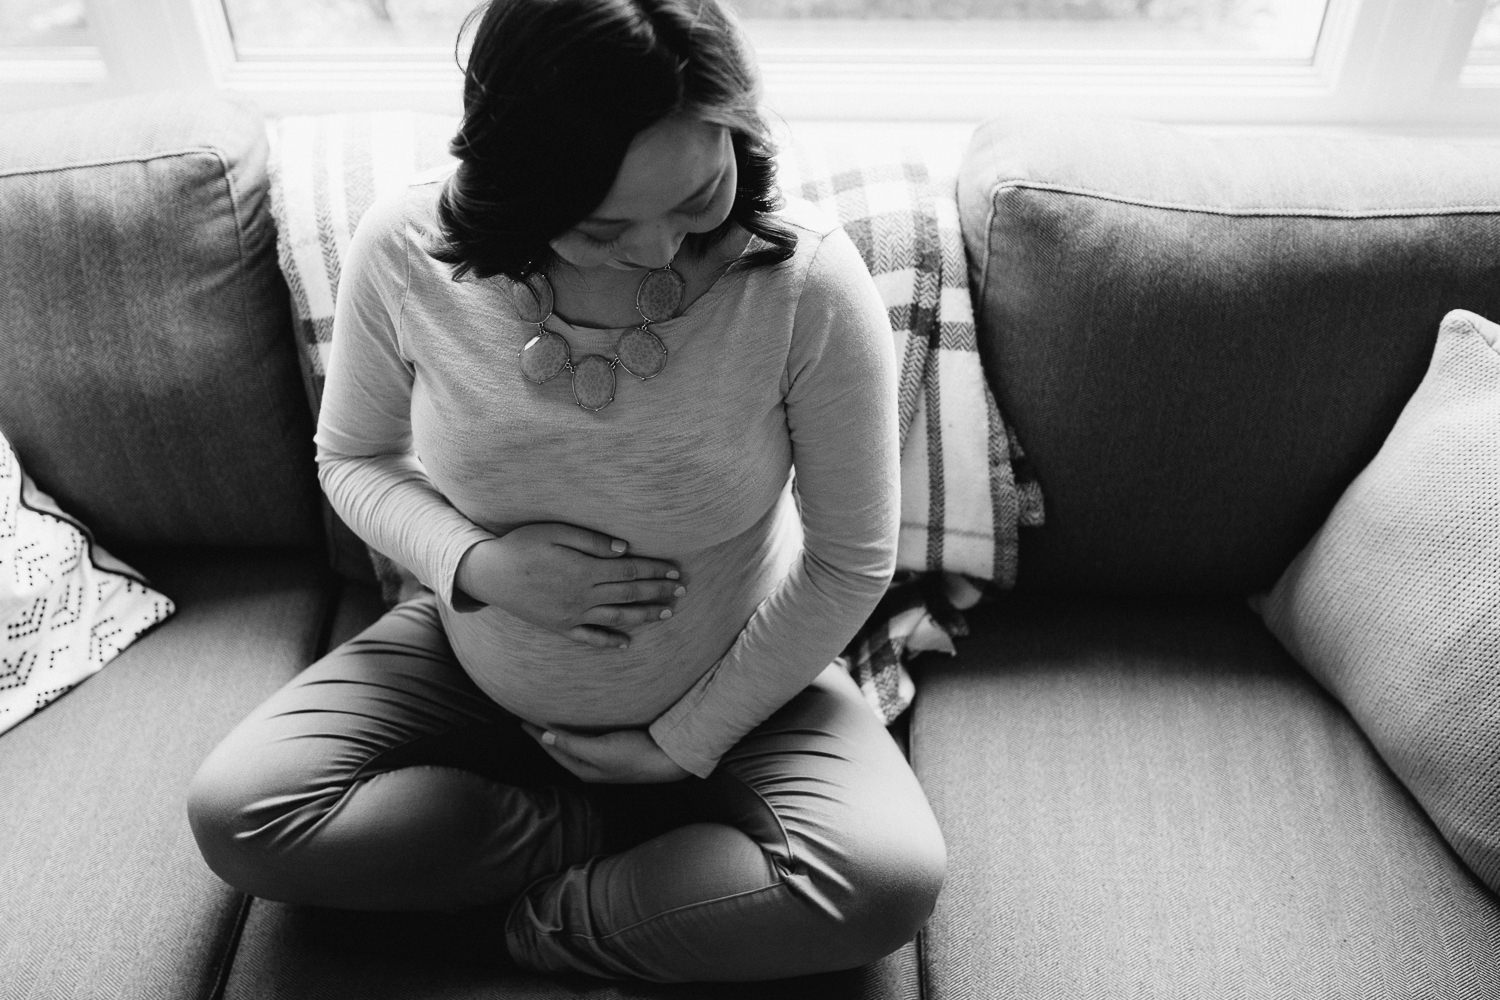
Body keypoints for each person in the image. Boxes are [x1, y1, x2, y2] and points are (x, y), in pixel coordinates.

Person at [187, 0, 945, 982]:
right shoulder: (410, 252)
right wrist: (483, 567)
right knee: (240, 813)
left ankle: (548, 920)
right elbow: (354, 461)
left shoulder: (804, 285)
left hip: (744, 681)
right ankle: (584, 828)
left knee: (885, 879)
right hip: (475, 661)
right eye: (603, 227)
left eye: (697, 197)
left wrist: (681, 743)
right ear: (519, 185)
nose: (659, 252)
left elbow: (851, 560)